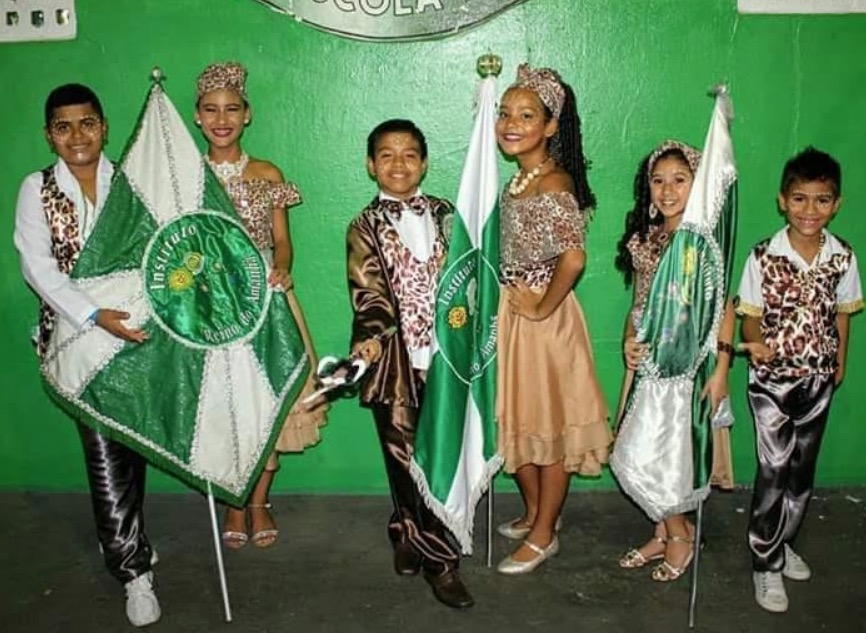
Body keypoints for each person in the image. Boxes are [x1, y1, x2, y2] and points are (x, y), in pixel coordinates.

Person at [13, 84, 160, 627]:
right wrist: (95, 315)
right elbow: (37, 267)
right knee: (104, 452)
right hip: (76, 339)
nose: (78, 135)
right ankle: (133, 571)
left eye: (88, 123)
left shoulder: (129, 183)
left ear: (104, 127)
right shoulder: (37, 188)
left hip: (134, 335)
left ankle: (125, 535)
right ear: (49, 134)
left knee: (133, 446)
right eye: (64, 126)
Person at [195, 61, 328, 550]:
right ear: (197, 117)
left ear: (247, 114)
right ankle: (234, 501)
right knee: (226, 406)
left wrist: (283, 268)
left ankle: (258, 502)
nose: (222, 119)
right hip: (211, 308)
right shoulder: (186, 175)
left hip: (266, 302)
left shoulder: (267, 173)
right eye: (211, 110)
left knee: (269, 401)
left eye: (232, 109)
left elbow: (282, 242)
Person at [346, 118, 474, 609]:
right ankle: (439, 561)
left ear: (424, 163)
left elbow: (469, 274)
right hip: (395, 362)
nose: (398, 164)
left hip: (446, 359)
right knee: (403, 461)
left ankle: (410, 533)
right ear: (370, 165)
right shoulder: (362, 226)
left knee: (437, 460)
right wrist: (371, 339)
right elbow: (370, 295)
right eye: (386, 155)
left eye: (409, 155)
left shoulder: (447, 214)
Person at [494, 64, 612, 575]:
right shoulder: (523, 180)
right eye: (505, 113)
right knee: (523, 419)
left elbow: (574, 258)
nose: (511, 123)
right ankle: (539, 513)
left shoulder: (553, 183)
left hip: (546, 324)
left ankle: (544, 535)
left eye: (526, 116)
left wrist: (542, 307)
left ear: (549, 126)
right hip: (518, 319)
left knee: (549, 425)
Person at [736, 147, 862, 613]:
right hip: (772, 383)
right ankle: (765, 562)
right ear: (782, 200)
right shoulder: (764, 256)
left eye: (822, 200)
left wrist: (840, 360)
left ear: (837, 204)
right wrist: (755, 342)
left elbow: (843, 314)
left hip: (818, 379)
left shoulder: (842, 256)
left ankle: (783, 540)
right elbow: (749, 317)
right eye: (800, 198)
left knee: (801, 471)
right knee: (773, 469)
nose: (810, 209)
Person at [611, 140, 736, 582]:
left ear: (696, 185)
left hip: (685, 369)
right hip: (648, 364)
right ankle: (663, 532)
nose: (667, 191)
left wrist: (722, 370)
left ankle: (681, 534)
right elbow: (638, 304)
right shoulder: (647, 241)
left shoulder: (702, 243)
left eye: (680, 180)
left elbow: (725, 308)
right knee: (640, 450)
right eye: (658, 181)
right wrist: (628, 341)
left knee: (668, 456)